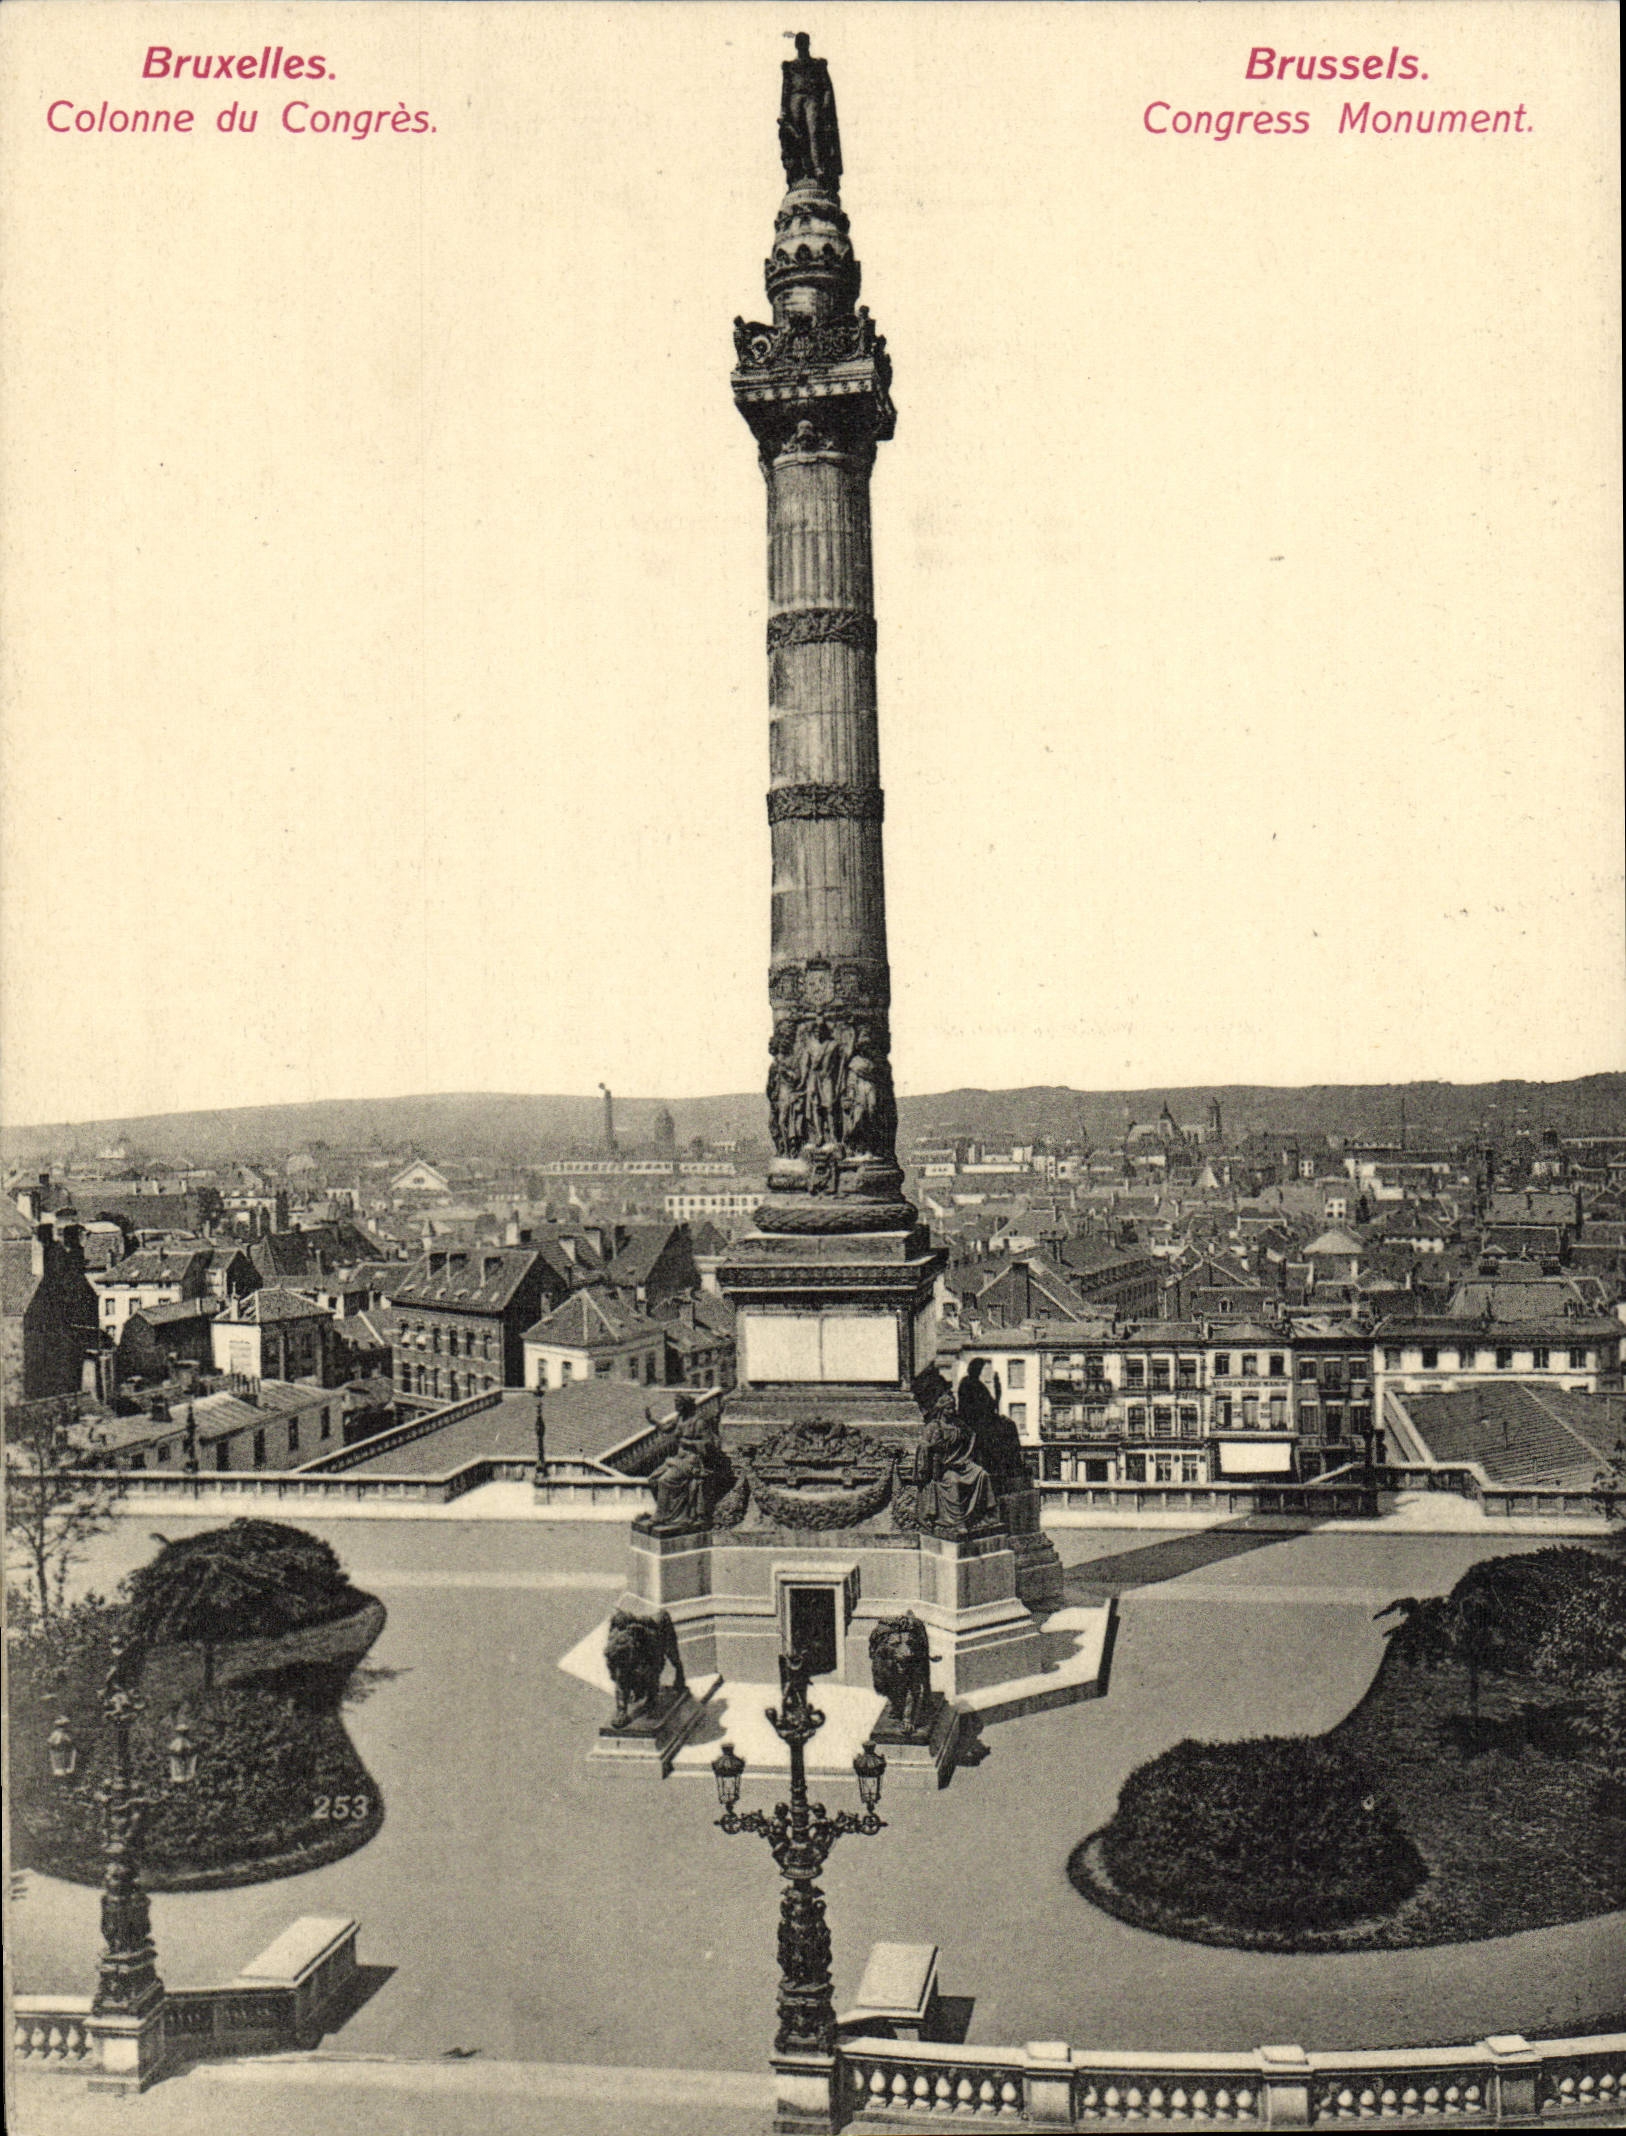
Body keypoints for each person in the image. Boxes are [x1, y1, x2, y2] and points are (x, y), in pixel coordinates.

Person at [911, 1397, 999, 1539]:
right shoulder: (933, 1427)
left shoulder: (958, 1425)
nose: (952, 1411)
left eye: (953, 1408)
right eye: (948, 1408)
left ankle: (989, 1514)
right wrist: (932, 1446)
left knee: (982, 1474)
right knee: (953, 1482)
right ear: (941, 1409)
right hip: (944, 1468)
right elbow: (923, 1445)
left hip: (961, 1464)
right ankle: (958, 1522)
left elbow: (973, 1437)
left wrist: (966, 1456)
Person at [957, 1357, 1031, 1495]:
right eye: (978, 1368)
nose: (979, 1371)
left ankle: (1014, 1463)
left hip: (985, 1418)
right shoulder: (967, 1383)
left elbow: (990, 1404)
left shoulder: (978, 1384)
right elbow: (972, 1407)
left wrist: (996, 1397)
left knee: (1010, 1424)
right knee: (1005, 1427)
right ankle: (1007, 1464)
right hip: (974, 1421)